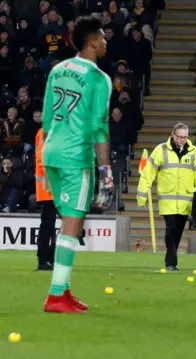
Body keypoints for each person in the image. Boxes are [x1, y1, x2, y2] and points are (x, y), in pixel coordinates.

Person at [42, 15, 114, 313]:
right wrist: (105, 170)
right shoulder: (99, 78)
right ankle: (56, 295)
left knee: (71, 220)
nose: (107, 42)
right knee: (72, 222)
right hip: (75, 156)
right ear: (94, 42)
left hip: (51, 152)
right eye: (104, 38)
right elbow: (99, 126)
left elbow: (46, 118)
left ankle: (65, 289)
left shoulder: (58, 70)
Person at [137, 123, 196, 271]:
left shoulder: (193, 153)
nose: (182, 140)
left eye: (185, 137)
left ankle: (171, 258)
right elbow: (148, 173)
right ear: (173, 135)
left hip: (185, 200)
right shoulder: (161, 150)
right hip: (167, 199)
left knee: (178, 231)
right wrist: (142, 195)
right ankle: (171, 261)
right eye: (180, 136)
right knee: (171, 228)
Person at [35, 128, 55, 271]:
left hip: (50, 188)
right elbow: (43, 159)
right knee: (48, 225)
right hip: (50, 187)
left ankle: (46, 258)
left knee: (48, 225)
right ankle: (45, 259)